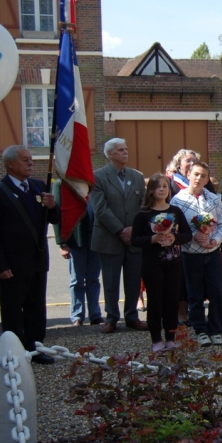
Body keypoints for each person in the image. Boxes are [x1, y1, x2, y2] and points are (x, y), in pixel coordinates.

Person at [0, 146, 59, 364]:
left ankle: (36, 347)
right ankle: (14, 350)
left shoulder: (38, 186)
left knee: (36, 305)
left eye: (31, 159)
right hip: (12, 263)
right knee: (13, 309)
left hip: (36, 259)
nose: (30, 163)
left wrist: (52, 206)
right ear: (10, 164)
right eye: (25, 160)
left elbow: (52, 219)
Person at [91, 138, 148, 334]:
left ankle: (132, 316)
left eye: (126, 149)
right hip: (109, 237)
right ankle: (111, 318)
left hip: (134, 237)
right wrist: (121, 230)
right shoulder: (98, 177)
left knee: (133, 280)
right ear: (110, 154)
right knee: (110, 280)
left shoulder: (137, 176)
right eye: (121, 150)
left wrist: (133, 228)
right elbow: (100, 208)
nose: (125, 152)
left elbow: (144, 205)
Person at [170, 162, 222, 347]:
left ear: (207, 179)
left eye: (203, 175)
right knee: (194, 294)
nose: (199, 178)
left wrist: (215, 240)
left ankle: (216, 330)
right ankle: (200, 330)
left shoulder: (214, 199)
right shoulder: (177, 201)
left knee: (216, 293)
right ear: (188, 174)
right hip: (190, 253)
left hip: (211, 252)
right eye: (196, 174)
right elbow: (173, 229)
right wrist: (191, 237)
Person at [131, 174, 192, 352]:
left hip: (174, 263)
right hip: (152, 264)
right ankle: (156, 339)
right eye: (158, 186)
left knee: (172, 300)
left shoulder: (175, 211)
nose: (162, 189)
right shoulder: (143, 215)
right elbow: (135, 239)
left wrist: (175, 237)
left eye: (165, 186)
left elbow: (187, 235)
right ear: (151, 190)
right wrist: (153, 239)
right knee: (156, 301)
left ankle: (171, 337)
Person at [53, 180, 103, 327]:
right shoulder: (60, 184)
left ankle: (95, 314)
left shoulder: (90, 182)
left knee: (93, 279)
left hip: (94, 238)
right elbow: (57, 214)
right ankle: (77, 315)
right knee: (77, 280)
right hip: (75, 239)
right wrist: (62, 242)